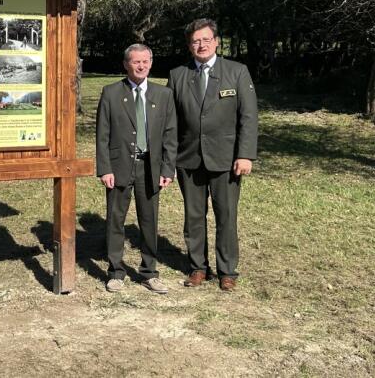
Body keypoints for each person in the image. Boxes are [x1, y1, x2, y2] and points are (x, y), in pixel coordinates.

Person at [167, 19, 257, 292]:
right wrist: (168, 160)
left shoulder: (237, 72)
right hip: (189, 159)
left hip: (226, 159)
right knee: (193, 216)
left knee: (226, 215)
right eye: (195, 41)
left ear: (217, 41)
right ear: (189, 45)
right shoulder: (177, 75)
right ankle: (198, 268)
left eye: (206, 39)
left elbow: (249, 117)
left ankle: (227, 270)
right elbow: (170, 122)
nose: (201, 45)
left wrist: (245, 155)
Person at [96, 44, 177, 294]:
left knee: (149, 220)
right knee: (115, 220)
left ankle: (149, 272)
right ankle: (116, 272)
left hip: (150, 168)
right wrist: (104, 168)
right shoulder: (111, 93)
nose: (141, 66)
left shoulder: (163, 95)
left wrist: (167, 168)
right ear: (126, 64)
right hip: (120, 166)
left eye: (145, 61)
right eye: (135, 62)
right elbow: (102, 135)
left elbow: (170, 135)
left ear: (151, 63)